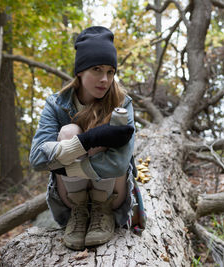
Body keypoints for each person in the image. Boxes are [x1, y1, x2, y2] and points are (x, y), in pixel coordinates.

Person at [29, 26, 146, 251]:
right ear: (80, 71)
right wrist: (84, 141)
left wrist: (67, 166)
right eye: (97, 69)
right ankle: (79, 212)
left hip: (112, 193)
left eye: (111, 72)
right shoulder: (56, 104)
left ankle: (101, 211)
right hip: (71, 196)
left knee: (106, 131)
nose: (105, 79)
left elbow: (119, 163)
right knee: (69, 132)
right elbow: (36, 159)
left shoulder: (122, 104)